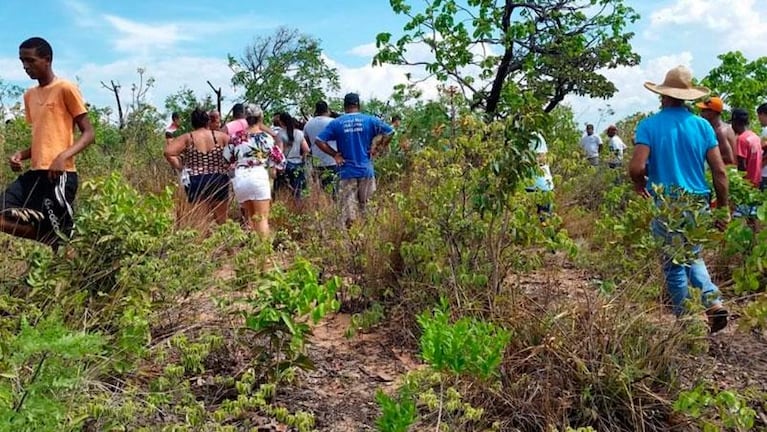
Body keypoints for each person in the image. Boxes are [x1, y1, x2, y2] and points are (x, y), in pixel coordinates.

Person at [628, 65, 729, 333]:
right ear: (688, 97)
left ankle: (685, 324)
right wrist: (724, 208)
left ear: (664, 96)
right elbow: (720, 171)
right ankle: (713, 302)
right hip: (698, 202)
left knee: (674, 265)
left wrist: (640, 186)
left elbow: (637, 168)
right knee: (693, 255)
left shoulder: (649, 125)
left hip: (667, 202)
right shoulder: (702, 126)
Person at [0, 37, 95, 248]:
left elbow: (89, 133)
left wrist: (62, 157)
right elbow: (43, 140)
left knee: (63, 234)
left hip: (59, 175)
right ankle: (49, 239)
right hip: (35, 174)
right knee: (2, 213)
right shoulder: (29, 95)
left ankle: (69, 256)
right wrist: (21, 156)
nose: (25, 66)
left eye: (30, 60)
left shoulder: (65, 88)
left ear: (47, 59)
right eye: (22, 61)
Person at [315, 93, 394, 227]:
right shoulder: (369, 120)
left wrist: (335, 155)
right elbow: (390, 132)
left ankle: (352, 242)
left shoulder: (337, 122)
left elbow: (319, 140)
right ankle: (368, 241)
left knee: (348, 213)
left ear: (344, 106)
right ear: (358, 104)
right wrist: (378, 147)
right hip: (366, 170)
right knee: (369, 210)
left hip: (346, 172)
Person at [223, 104, 283, 236]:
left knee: (250, 219)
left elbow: (226, 158)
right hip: (258, 176)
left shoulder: (235, 138)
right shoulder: (266, 138)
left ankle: (253, 250)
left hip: (240, 178)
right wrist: (273, 166)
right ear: (260, 118)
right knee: (261, 219)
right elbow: (280, 160)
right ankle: (264, 255)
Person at [164, 108, 231, 226]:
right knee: (222, 221)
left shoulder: (188, 138)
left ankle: (201, 242)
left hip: (196, 180)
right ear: (207, 121)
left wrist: (181, 166)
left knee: (199, 222)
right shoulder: (221, 137)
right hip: (218, 178)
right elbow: (235, 151)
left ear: (192, 123)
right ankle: (223, 242)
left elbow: (168, 152)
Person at [303, 101, 339, 197]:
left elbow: (306, 143)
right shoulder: (333, 122)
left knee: (323, 191)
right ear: (327, 110)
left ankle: (325, 207)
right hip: (334, 160)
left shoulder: (308, 124)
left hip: (317, 162)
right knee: (336, 191)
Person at [276, 112, 310, 200]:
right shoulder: (299, 133)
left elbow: (280, 152)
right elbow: (307, 150)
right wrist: (302, 158)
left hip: (287, 164)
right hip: (298, 164)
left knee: (285, 190)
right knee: (299, 190)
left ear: (281, 122)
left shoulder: (280, 134)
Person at [696, 96, 737, 165]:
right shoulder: (727, 127)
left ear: (712, 113)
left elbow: (729, 159)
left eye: (703, 111)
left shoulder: (719, 132)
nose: (701, 114)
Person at [524, 132, 554, 219]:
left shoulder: (535, 137)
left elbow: (542, 158)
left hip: (541, 186)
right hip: (528, 186)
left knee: (543, 218)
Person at [755, 103, 767, 191]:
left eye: (759, 116)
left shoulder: (766, 131)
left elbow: (763, 150)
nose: (758, 119)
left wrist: (758, 168)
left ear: (763, 114)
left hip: (764, 173)